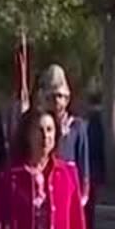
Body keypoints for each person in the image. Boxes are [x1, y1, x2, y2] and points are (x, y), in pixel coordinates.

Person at [39, 67, 93, 211]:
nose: (56, 101)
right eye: (51, 97)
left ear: (67, 99)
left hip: (69, 188)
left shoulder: (77, 126)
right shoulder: (40, 124)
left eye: (59, 96)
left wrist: (83, 194)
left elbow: (83, 161)